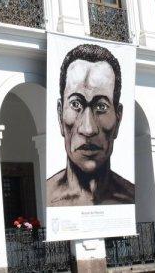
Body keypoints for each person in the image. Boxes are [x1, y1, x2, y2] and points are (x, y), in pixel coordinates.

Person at [47, 43, 135, 206]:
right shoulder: (46, 198)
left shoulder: (131, 198)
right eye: (75, 104)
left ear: (118, 118)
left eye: (101, 107)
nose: (88, 129)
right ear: (60, 115)